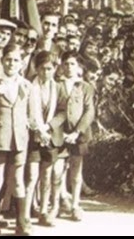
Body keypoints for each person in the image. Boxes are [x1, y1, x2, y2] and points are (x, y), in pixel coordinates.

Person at [0, 44, 31, 236]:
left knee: (18, 182)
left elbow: (32, 113)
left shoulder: (26, 85)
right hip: (0, 139)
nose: (12, 63)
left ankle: (22, 225)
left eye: (16, 60)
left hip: (20, 140)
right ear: (2, 61)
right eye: (8, 59)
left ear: (21, 63)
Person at [51, 51, 95, 222]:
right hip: (59, 134)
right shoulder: (56, 85)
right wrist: (57, 131)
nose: (69, 67)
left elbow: (89, 111)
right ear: (61, 65)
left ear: (79, 67)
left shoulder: (85, 87)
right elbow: (55, 110)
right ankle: (56, 204)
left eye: (73, 64)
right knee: (57, 172)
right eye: (66, 64)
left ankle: (76, 205)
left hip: (79, 135)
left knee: (76, 172)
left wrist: (77, 132)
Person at [26, 51, 61, 228]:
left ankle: (43, 211)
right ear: (36, 68)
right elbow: (28, 113)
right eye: (42, 69)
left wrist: (48, 127)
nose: (46, 73)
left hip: (51, 137)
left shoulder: (57, 87)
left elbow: (62, 112)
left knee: (47, 175)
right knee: (32, 177)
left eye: (49, 69)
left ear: (55, 69)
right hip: (33, 137)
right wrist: (38, 128)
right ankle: (26, 212)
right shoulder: (29, 87)